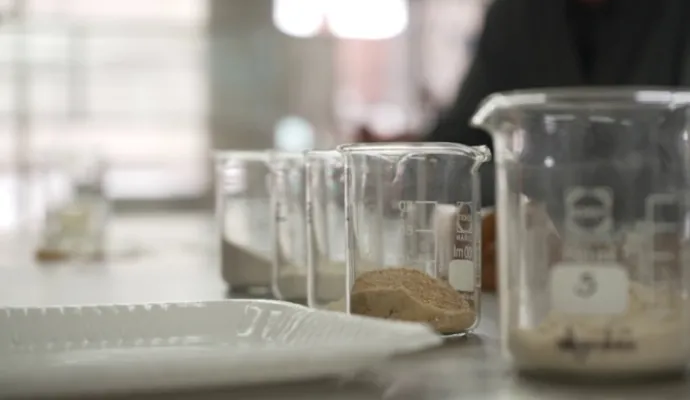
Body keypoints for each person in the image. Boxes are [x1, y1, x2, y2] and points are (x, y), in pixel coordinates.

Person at [357, 0, 690, 206]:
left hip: (663, 256)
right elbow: (463, 136)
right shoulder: (515, 15)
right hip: (545, 256)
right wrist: (406, 158)